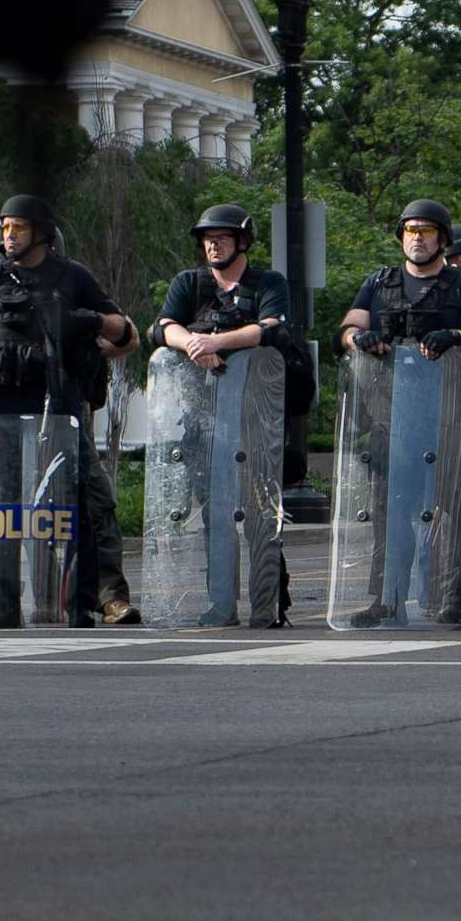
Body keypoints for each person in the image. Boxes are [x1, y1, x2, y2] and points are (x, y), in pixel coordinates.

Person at [0, 193, 139, 629]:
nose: (10, 235)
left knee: (72, 505)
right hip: (2, 412)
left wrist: (88, 324)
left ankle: (77, 601)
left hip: (59, 409)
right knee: (2, 507)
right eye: (4, 227)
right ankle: (3, 601)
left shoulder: (72, 277)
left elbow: (127, 335)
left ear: (41, 232)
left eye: (17, 227)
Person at [340, 199, 461, 627]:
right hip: (392, 420)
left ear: (442, 239)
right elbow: (347, 329)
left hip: (447, 418)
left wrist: (458, 337)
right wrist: (360, 337)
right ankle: (387, 601)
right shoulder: (378, 283)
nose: (417, 237)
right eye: (410, 230)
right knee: (391, 514)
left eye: (426, 230)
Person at [153, 203, 294, 625]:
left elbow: (271, 328)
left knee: (258, 510)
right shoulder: (189, 284)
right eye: (207, 239)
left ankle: (268, 602)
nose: (213, 245)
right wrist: (193, 343)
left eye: (222, 238)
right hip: (203, 420)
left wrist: (220, 343)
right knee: (214, 511)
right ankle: (220, 603)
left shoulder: (267, 282)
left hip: (256, 419)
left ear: (243, 241)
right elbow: (161, 327)